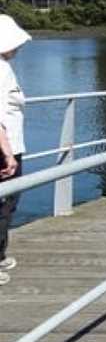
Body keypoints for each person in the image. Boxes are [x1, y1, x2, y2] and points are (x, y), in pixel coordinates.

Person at [0, 15, 30, 286]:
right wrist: (8, 153)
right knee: (5, 203)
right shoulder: (1, 70)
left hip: (7, 145)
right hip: (5, 149)